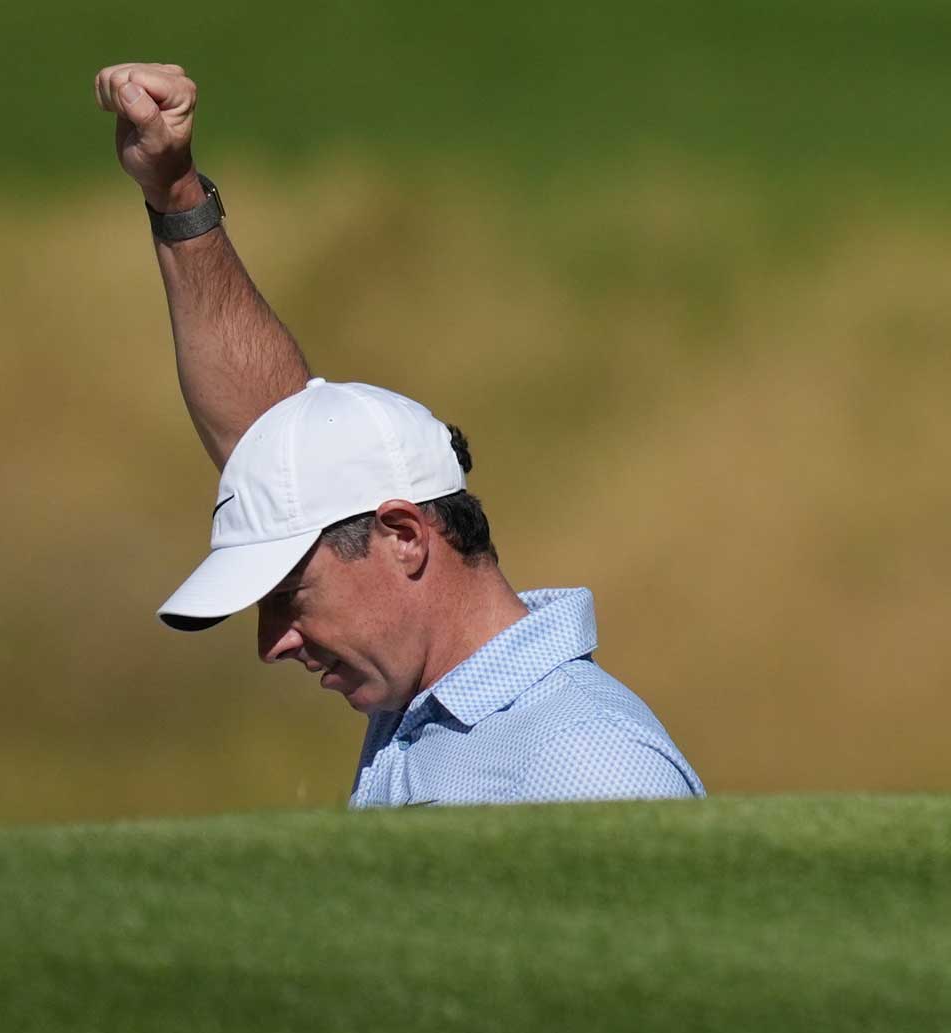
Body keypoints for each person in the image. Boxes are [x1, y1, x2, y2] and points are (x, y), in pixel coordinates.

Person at [95, 62, 704, 807]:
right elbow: (275, 442)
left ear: (406, 537)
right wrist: (175, 194)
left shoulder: (589, 763)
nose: (272, 642)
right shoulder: (422, 701)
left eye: (289, 592)